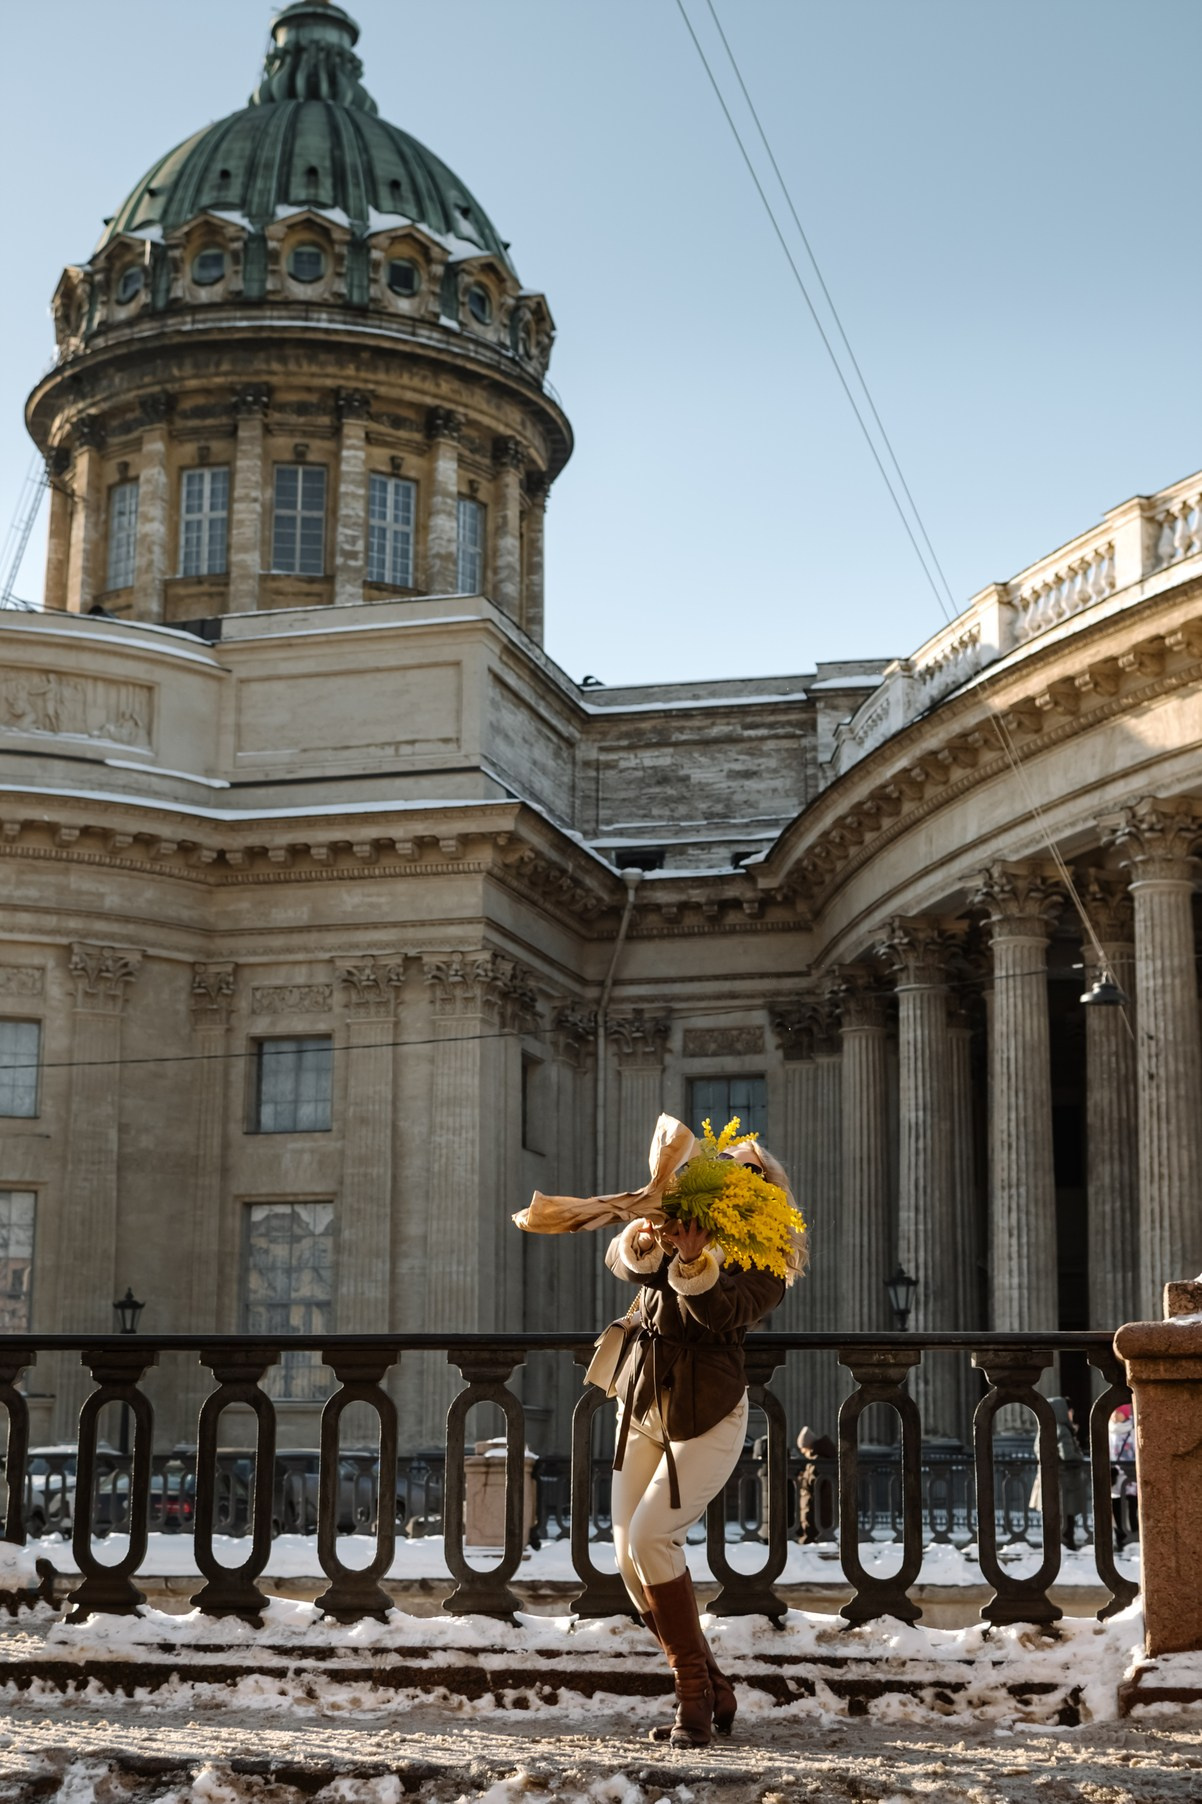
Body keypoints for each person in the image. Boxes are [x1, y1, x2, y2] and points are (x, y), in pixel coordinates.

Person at [603, 1140, 801, 1749]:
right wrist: (646, 1236)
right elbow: (631, 1268)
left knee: (650, 1538)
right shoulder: (681, 1224)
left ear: (765, 1186)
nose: (729, 1179)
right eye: (718, 1169)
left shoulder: (766, 1252)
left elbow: (724, 1315)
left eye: (747, 1172)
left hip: (709, 1413)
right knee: (631, 1565)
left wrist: (693, 1266)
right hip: (642, 1404)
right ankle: (713, 1686)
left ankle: (692, 1701)